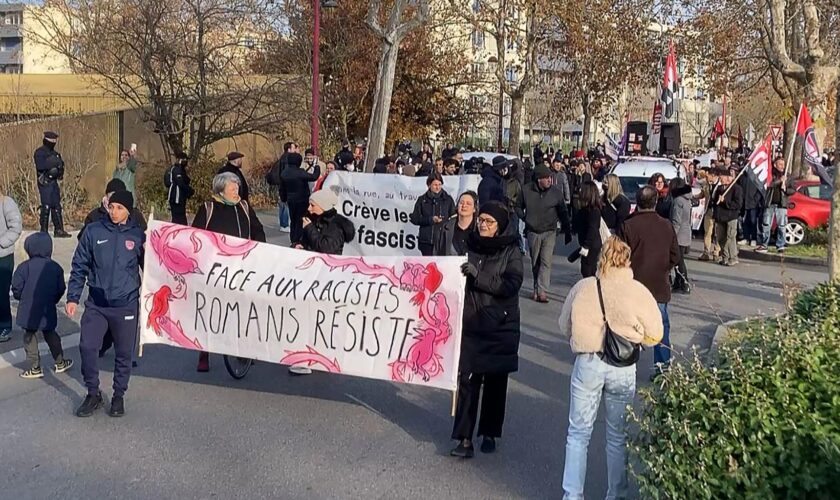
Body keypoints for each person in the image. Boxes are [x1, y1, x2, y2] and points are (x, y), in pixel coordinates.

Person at [558, 236, 664, 499]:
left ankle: (572, 494)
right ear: (627, 260)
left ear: (601, 257)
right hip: (623, 367)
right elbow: (656, 333)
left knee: (578, 434)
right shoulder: (638, 291)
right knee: (617, 436)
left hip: (588, 361)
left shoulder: (584, 287)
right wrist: (638, 336)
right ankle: (616, 493)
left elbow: (563, 325)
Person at [451, 201, 523, 458]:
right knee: (468, 382)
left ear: (500, 225)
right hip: (471, 322)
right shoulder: (469, 244)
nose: (483, 224)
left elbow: (511, 284)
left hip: (499, 325)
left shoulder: (511, 250)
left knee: (494, 383)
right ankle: (464, 438)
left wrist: (478, 277)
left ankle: (490, 432)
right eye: (481, 220)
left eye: (488, 222)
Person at [67, 190, 144, 418]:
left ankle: (118, 395)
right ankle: (93, 393)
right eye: (111, 207)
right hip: (97, 303)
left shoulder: (138, 236)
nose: (114, 212)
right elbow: (80, 264)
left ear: (128, 210)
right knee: (88, 347)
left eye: (119, 208)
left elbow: (151, 268)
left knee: (123, 353)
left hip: (126, 303)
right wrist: (73, 297)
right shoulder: (94, 231)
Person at [192, 173, 266, 372]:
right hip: (215, 269)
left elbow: (258, 229)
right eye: (233, 189)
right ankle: (204, 352)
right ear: (221, 190)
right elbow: (195, 237)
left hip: (241, 268)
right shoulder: (208, 208)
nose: (237, 192)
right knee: (211, 310)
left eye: (237, 188)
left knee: (241, 308)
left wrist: (259, 249)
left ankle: (242, 349)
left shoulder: (244, 207)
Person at [620, 185, 679, 377]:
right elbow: (675, 256)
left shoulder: (627, 225)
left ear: (637, 203)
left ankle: (626, 366)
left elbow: (619, 257)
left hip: (633, 284)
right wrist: (663, 268)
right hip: (658, 284)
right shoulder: (666, 225)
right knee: (660, 327)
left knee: (629, 326)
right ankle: (662, 369)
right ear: (655, 202)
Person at [13, 232, 73, 379]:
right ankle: (60, 361)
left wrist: (21, 297)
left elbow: (16, 287)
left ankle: (34, 367)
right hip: (47, 308)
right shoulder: (55, 267)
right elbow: (60, 288)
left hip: (28, 308)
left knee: (29, 335)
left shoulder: (23, 267)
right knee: (50, 333)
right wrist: (53, 299)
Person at [521, 165, 572, 302]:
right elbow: (518, 207)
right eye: (546, 178)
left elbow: (563, 212)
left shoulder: (556, 193)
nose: (550, 180)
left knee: (545, 261)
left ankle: (543, 291)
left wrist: (567, 231)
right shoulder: (526, 191)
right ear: (538, 180)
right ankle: (536, 288)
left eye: (550, 177)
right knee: (535, 261)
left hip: (550, 231)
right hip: (533, 231)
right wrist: (524, 218)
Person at [80, 179, 147, 241]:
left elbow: (145, 236)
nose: (116, 198)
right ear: (106, 195)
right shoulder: (94, 217)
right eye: (112, 195)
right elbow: (83, 240)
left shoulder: (135, 215)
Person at [34, 131, 70, 237]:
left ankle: (59, 230)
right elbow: (41, 166)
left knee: (56, 205)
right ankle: (43, 230)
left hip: (54, 181)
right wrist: (53, 163)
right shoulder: (40, 152)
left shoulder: (56, 154)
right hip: (44, 181)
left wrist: (58, 169)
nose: (53, 142)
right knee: (46, 205)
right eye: (52, 140)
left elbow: (60, 167)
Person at [409, 173, 456, 256]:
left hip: (443, 241)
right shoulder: (422, 200)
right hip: (427, 241)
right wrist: (430, 220)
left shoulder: (448, 200)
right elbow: (415, 219)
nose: (438, 187)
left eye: (439, 184)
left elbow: (454, 218)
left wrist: (445, 223)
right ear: (429, 185)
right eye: (435, 185)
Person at [757, 158, 796, 254]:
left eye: (783, 164)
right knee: (766, 224)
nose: (782, 166)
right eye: (780, 164)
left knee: (782, 225)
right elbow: (769, 185)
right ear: (775, 165)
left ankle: (780, 245)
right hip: (770, 203)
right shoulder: (770, 174)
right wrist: (780, 181)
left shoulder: (788, 176)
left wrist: (785, 189)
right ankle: (764, 244)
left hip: (781, 204)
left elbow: (793, 190)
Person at [281, 152, 320, 246]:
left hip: (290, 199)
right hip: (302, 199)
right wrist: (316, 166)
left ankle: (293, 238)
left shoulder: (284, 173)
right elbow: (314, 177)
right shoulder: (300, 172)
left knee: (293, 220)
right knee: (300, 220)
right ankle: (298, 239)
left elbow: (282, 188)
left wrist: (284, 198)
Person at [0, 193, 22, 343]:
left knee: (1, 292)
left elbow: (16, 228)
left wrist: (1, 242)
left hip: (3, 256)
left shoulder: (6, 203)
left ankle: (5, 326)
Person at [572, 181, 603, 278]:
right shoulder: (584, 209)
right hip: (586, 243)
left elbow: (593, 229)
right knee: (585, 269)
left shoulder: (594, 211)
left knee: (589, 270)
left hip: (591, 245)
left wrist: (586, 246)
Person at [713, 168, 743, 266]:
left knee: (730, 238)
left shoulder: (736, 189)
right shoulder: (720, 188)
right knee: (721, 238)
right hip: (721, 217)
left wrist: (725, 201)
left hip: (731, 217)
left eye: (722, 177)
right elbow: (715, 202)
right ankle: (725, 257)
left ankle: (733, 257)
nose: (720, 179)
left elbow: (738, 204)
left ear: (728, 178)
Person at [669, 177, 693, 294]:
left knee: (678, 261)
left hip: (679, 234)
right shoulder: (687, 199)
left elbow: (676, 220)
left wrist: (671, 235)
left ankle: (684, 282)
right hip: (686, 232)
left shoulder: (678, 200)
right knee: (679, 260)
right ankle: (678, 283)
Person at [435, 191, 477, 256]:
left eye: (468, 204)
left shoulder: (479, 229)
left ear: (474, 208)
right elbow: (436, 254)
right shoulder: (445, 228)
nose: (464, 206)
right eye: (461, 203)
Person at [737, 164, 766, 247]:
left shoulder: (756, 178)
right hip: (744, 203)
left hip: (753, 203)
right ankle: (745, 238)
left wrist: (755, 200)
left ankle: (753, 238)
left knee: (753, 221)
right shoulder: (742, 177)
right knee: (745, 221)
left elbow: (760, 190)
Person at [696, 168, 720, 261]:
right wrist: (693, 197)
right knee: (708, 232)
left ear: (713, 175)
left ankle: (716, 252)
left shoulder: (721, 184)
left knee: (718, 233)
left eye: (708, 175)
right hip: (709, 211)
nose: (706, 177)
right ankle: (706, 252)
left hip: (719, 212)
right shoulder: (706, 184)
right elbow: (702, 194)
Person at [166, 153, 193, 225]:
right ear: (180, 160)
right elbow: (180, 183)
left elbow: (186, 180)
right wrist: (189, 190)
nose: (186, 161)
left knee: (180, 219)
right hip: (176, 199)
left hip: (180, 198)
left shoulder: (181, 170)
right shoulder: (176, 169)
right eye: (185, 160)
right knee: (178, 220)